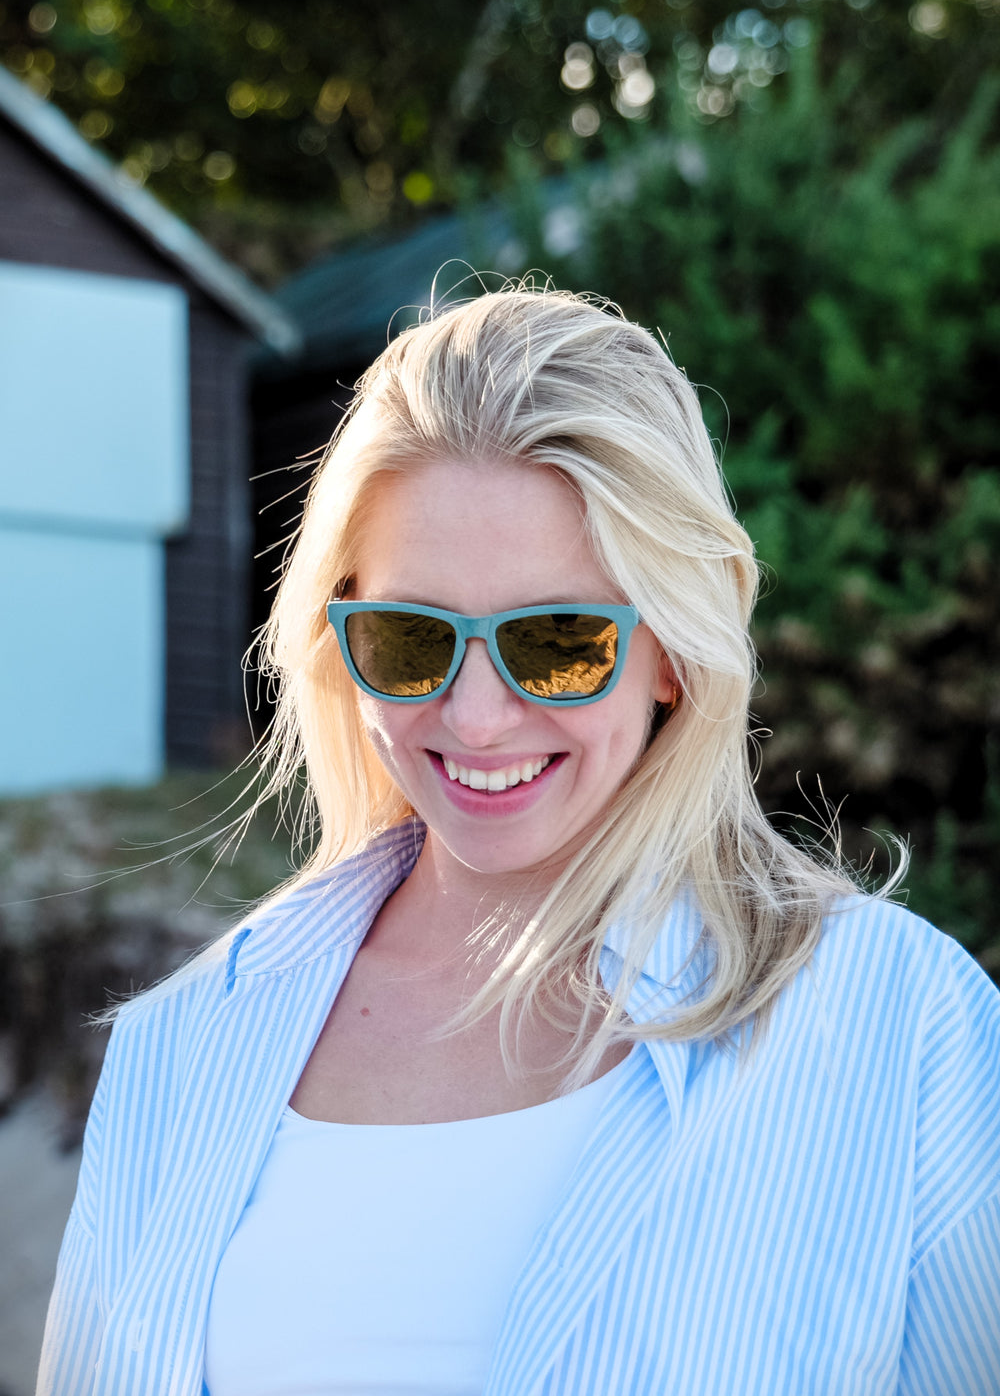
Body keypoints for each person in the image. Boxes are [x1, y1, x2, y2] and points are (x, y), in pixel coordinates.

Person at [38, 286, 1000, 1396]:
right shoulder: (181, 1046)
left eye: (557, 641)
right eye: (409, 638)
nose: (478, 716)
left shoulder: (904, 1029)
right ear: (340, 636)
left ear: (674, 649)